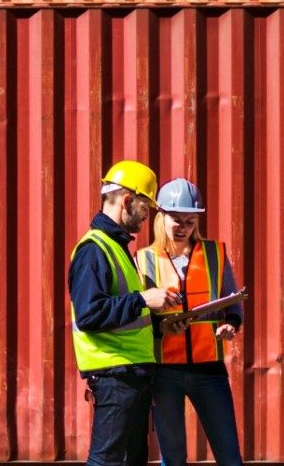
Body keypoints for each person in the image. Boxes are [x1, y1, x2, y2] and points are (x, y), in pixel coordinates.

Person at [68, 160, 183, 466]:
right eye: (145, 208)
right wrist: (144, 298)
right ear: (128, 200)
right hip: (116, 375)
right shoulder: (94, 249)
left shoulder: (117, 248)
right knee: (107, 461)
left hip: (131, 375)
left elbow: (126, 316)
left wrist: (161, 327)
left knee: (130, 461)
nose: (147, 216)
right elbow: (90, 315)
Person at [133, 178, 244, 466]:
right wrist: (161, 326)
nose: (182, 227)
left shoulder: (214, 254)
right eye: (176, 220)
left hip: (209, 370)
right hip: (164, 373)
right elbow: (138, 315)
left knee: (230, 456)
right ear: (161, 217)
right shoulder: (143, 260)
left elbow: (231, 299)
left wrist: (231, 322)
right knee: (173, 458)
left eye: (190, 221)